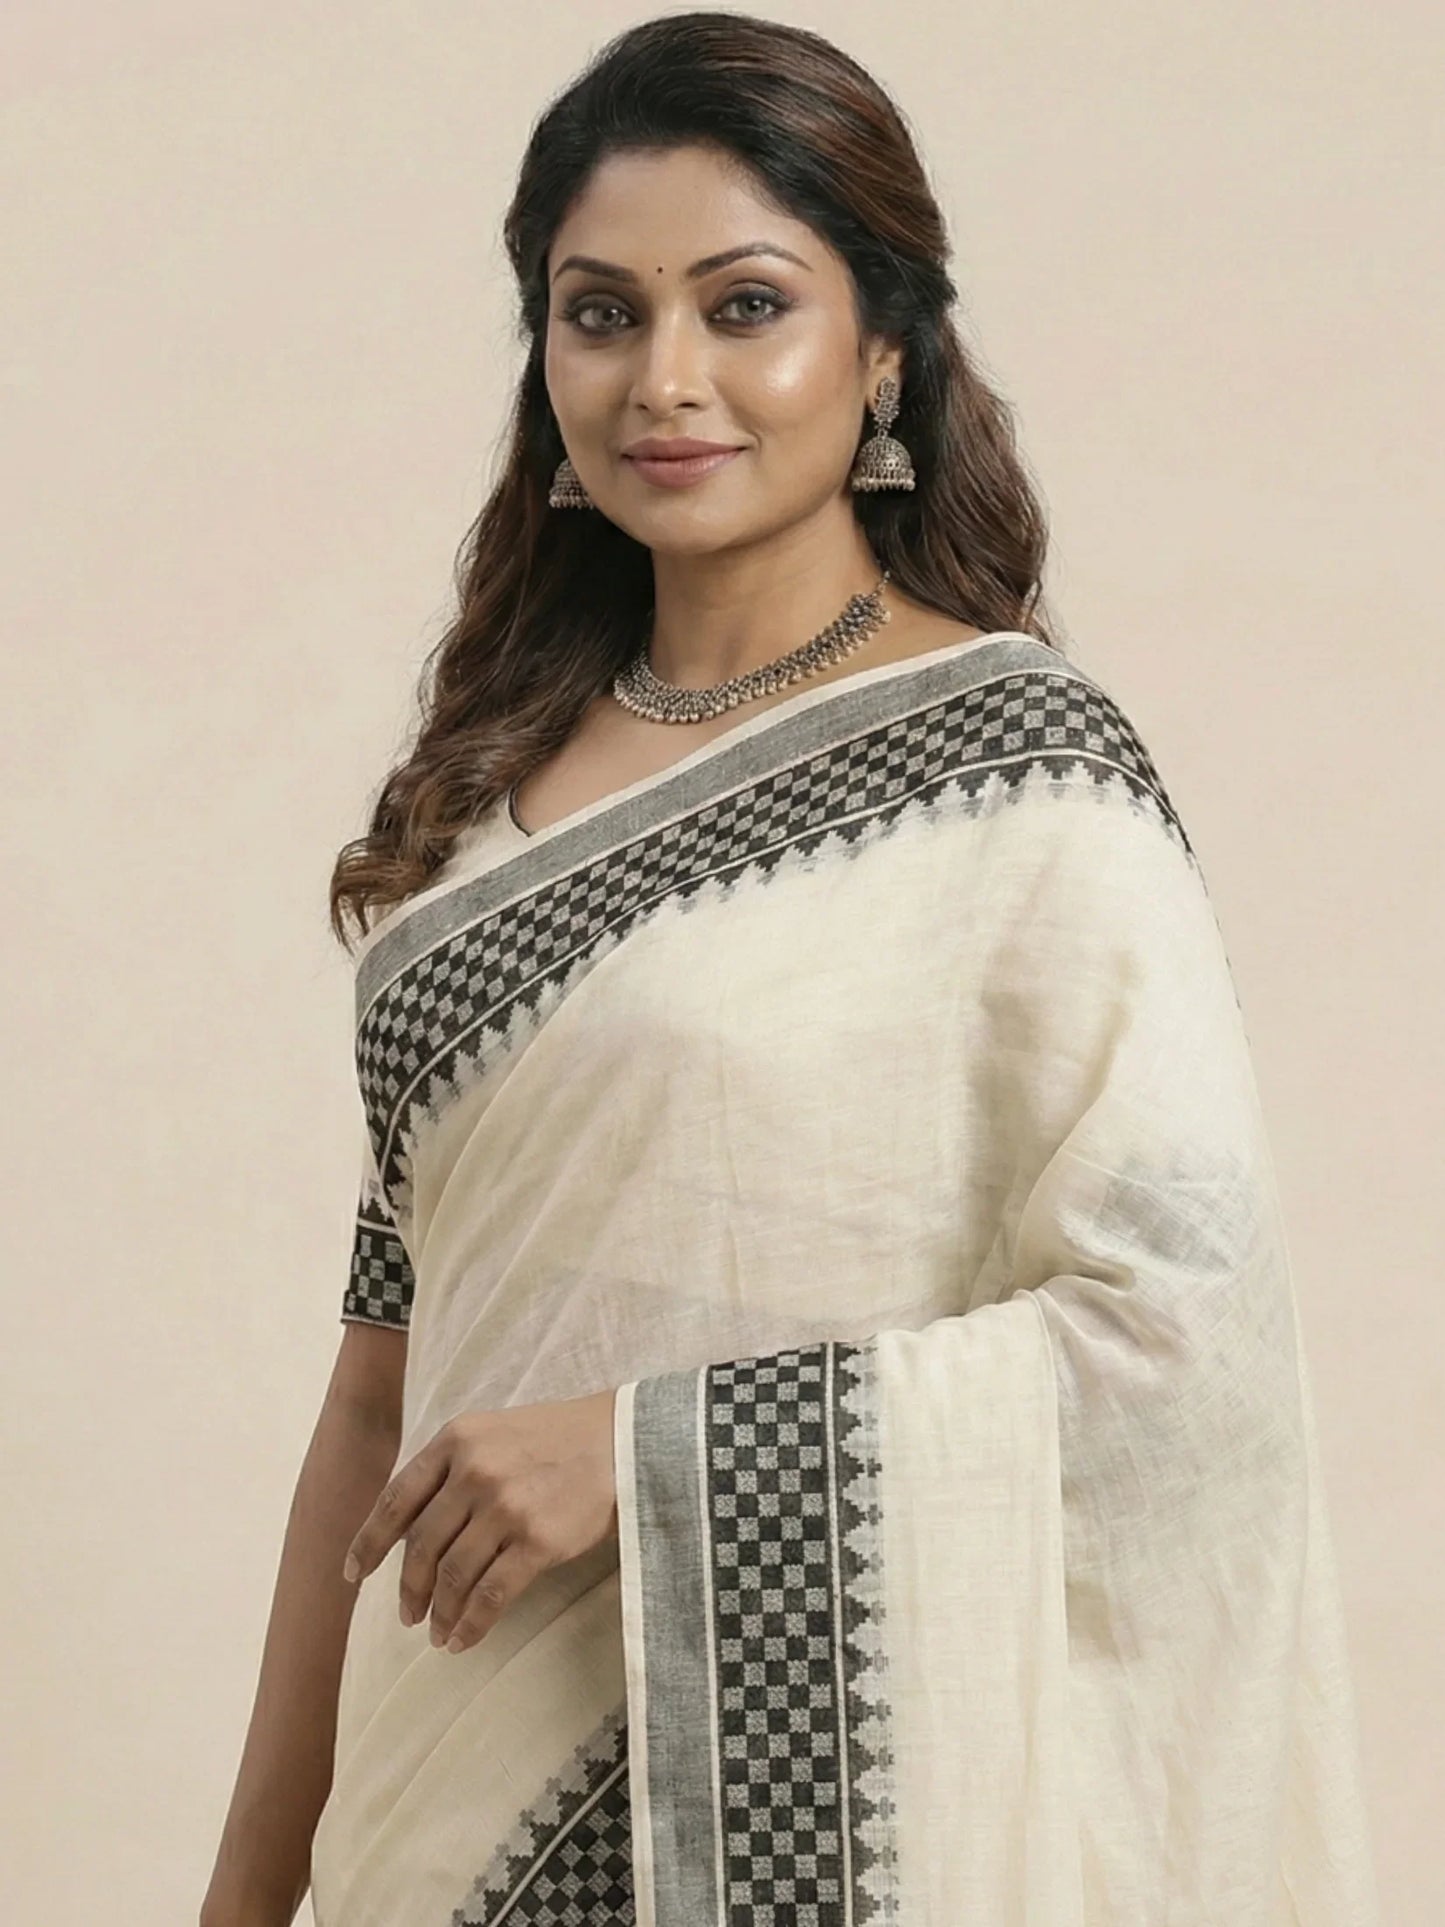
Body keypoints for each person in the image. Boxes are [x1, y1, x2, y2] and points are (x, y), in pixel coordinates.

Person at [201, 14, 1380, 1926]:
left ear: (881, 348)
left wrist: (652, 1457)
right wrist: (250, 1891)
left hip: (825, 1835)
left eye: (744, 305)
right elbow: (375, 1403)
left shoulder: (1020, 778)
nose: (665, 378)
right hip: (434, 1827)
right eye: (600, 314)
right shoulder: (472, 827)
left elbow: (1182, 1345)